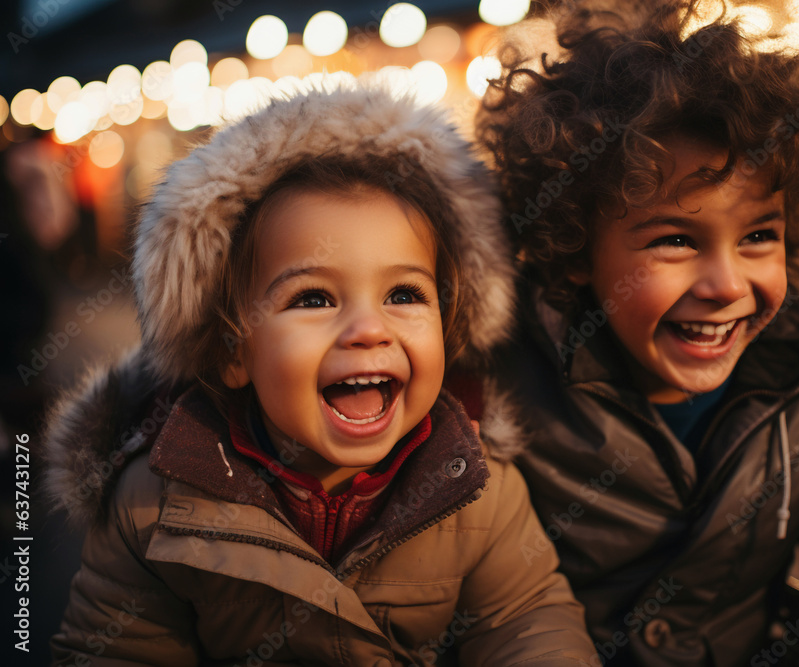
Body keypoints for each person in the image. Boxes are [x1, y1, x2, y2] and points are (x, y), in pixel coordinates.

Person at [474, 2, 799, 666]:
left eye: (758, 236)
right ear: (575, 248)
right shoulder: (496, 379)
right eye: (674, 239)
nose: (727, 284)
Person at [43, 77, 595, 666]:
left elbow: (525, 620)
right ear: (234, 352)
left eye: (404, 293)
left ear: (450, 321)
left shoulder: (475, 483)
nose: (368, 329)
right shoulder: (154, 500)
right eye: (313, 299)